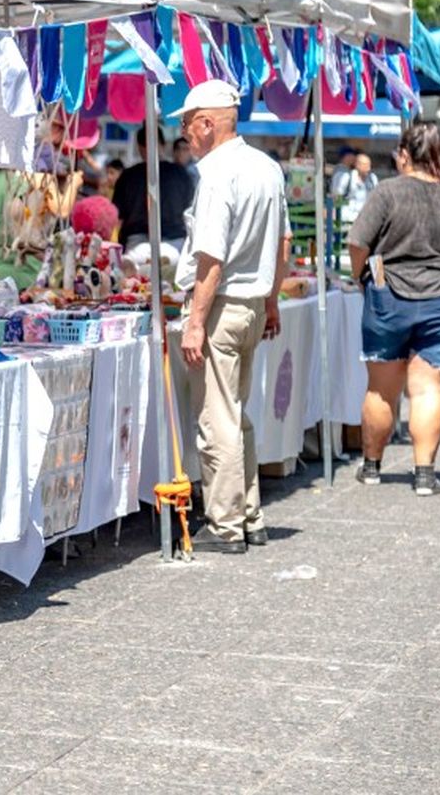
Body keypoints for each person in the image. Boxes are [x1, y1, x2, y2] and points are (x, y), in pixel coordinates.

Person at [173, 80, 290, 554]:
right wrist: (272, 299)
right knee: (235, 415)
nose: (185, 135)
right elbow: (283, 244)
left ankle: (225, 524)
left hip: (223, 305)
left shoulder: (219, 173)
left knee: (216, 417)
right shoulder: (266, 166)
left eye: (186, 126)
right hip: (252, 303)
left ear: (206, 123)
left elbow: (211, 258)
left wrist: (196, 320)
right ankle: (249, 515)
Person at [347, 123, 440, 496]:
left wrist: (359, 275)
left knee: (381, 389)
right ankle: (425, 475)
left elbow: (358, 242)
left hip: (388, 297)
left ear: (403, 155)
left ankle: (372, 467)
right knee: (428, 389)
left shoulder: (387, 192)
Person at [111, 127, 198, 274]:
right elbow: (192, 214)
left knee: (132, 286)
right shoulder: (181, 174)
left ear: (139, 147)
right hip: (174, 246)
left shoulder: (128, 176)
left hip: (136, 247)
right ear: (163, 144)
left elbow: (116, 219)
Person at [335, 152, 379, 225]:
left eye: (369, 165)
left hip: (367, 219)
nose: (368, 168)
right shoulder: (347, 177)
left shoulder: (372, 178)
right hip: (348, 219)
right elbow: (337, 196)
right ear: (357, 165)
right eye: (365, 165)